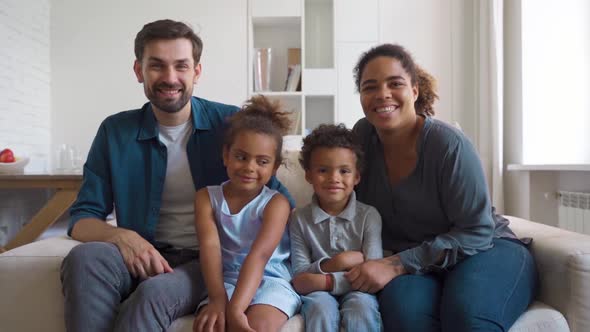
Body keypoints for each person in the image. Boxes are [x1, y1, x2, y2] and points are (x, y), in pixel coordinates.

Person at [59, 19, 293, 332]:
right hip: (140, 254)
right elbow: (82, 218)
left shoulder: (230, 124)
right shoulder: (115, 132)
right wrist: (122, 236)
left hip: (205, 262)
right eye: (157, 66)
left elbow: (276, 197)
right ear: (139, 70)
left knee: (154, 293)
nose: (170, 78)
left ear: (196, 71)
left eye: (181, 66)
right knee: (83, 259)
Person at [347, 43, 538, 332]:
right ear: (361, 97)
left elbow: (477, 231)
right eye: (369, 87)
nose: (382, 94)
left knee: (465, 317)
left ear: (414, 91)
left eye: (395, 83)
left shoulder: (448, 144)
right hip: (418, 263)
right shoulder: (361, 137)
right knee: (404, 315)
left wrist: (396, 264)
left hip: (483, 249)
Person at [192, 96, 300, 332]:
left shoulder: (276, 204)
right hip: (226, 280)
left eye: (262, 161)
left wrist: (236, 309)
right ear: (225, 155)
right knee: (213, 324)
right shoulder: (205, 198)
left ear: (274, 167)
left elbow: (260, 256)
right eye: (241, 157)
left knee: (257, 326)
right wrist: (219, 300)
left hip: (271, 279)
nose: (249, 167)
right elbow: (209, 248)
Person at [289, 124, 383, 332]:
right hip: (318, 296)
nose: (334, 178)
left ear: (356, 177)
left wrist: (322, 280)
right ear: (309, 175)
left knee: (362, 307)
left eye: (344, 171)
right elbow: (300, 279)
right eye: (323, 170)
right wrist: (337, 263)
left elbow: (372, 274)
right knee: (320, 308)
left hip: (360, 293)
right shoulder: (299, 219)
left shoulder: (369, 216)